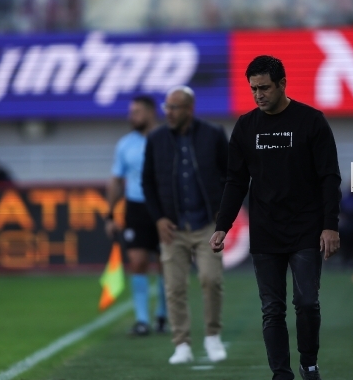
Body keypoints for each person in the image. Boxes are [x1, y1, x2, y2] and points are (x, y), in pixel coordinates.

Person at [209, 55, 342, 380]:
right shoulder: (245, 127)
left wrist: (330, 226)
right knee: (272, 309)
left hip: (306, 228)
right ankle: (281, 374)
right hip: (265, 230)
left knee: (307, 302)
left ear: (282, 84)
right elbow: (235, 181)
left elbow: (329, 177)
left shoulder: (311, 121)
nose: (259, 95)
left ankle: (308, 363)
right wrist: (222, 226)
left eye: (265, 87)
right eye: (254, 89)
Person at [142, 86, 229, 364]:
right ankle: (181, 344)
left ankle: (213, 336)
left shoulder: (213, 134)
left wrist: (223, 212)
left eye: (174, 107)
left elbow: (231, 174)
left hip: (207, 223)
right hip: (172, 226)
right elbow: (147, 182)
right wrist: (158, 218)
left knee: (211, 280)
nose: (168, 112)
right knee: (174, 287)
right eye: (166, 107)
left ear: (189, 109)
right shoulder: (156, 139)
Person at [105, 95, 167, 336]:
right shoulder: (125, 144)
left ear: (151, 112)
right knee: (137, 261)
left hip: (163, 207)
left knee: (165, 263)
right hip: (136, 208)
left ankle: (162, 314)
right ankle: (142, 320)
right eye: (131, 112)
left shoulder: (166, 138)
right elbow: (116, 180)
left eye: (137, 112)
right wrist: (110, 215)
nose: (132, 117)